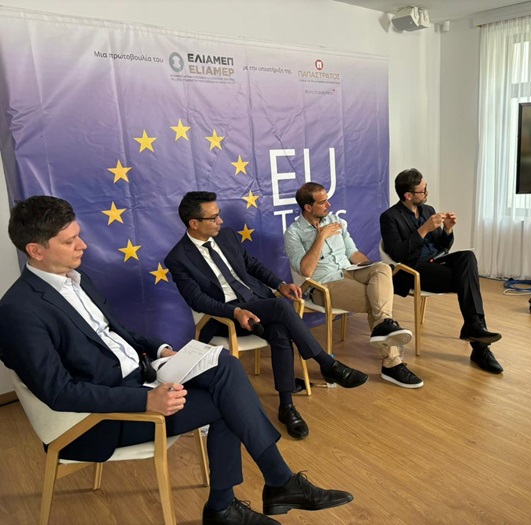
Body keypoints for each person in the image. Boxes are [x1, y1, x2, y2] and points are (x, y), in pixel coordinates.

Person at [0, 196, 354, 525]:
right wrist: (144, 400)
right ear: (36, 250)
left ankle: (267, 487)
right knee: (228, 401)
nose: (83, 246)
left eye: (79, 236)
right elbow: (59, 392)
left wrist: (160, 350)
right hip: (98, 418)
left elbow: (118, 332)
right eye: (70, 241)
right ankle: (243, 498)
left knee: (225, 365)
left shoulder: (78, 279)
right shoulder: (18, 311)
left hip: (140, 376)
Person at [165, 191, 368, 441]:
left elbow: (252, 265)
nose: (220, 221)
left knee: (280, 331)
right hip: (224, 317)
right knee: (281, 308)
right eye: (214, 218)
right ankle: (327, 363)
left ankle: (287, 406)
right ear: (194, 223)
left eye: (219, 215)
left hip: (256, 303)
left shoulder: (226, 236)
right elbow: (197, 300)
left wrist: (280, 284)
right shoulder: (178, 258)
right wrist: (235, 311)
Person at [284, 182, 423, 389]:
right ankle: (392, 363)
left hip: (350, 271)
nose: (329, 205)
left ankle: (384, 324)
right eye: (323, 202)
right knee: (376, 301)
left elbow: (353, 253)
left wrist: (374, 273)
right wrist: (321, 237)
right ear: (308, 207)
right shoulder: (293, 233)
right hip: (324, 284)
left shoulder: (335, 221)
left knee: (382, 268)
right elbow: (306, 270)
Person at [379, 168, 504, 374]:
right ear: (408, 195)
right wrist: (423, 230)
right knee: (467, 281)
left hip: (435, 262)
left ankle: (474, 328)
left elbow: (442, 247)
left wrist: (447, 229)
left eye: (426, 188)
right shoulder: (389, 217)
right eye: (422, 190)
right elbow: (398, 253)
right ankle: (480, 347)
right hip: (412, 269)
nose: (426, 193)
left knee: (468, 257)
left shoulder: (428, 210)